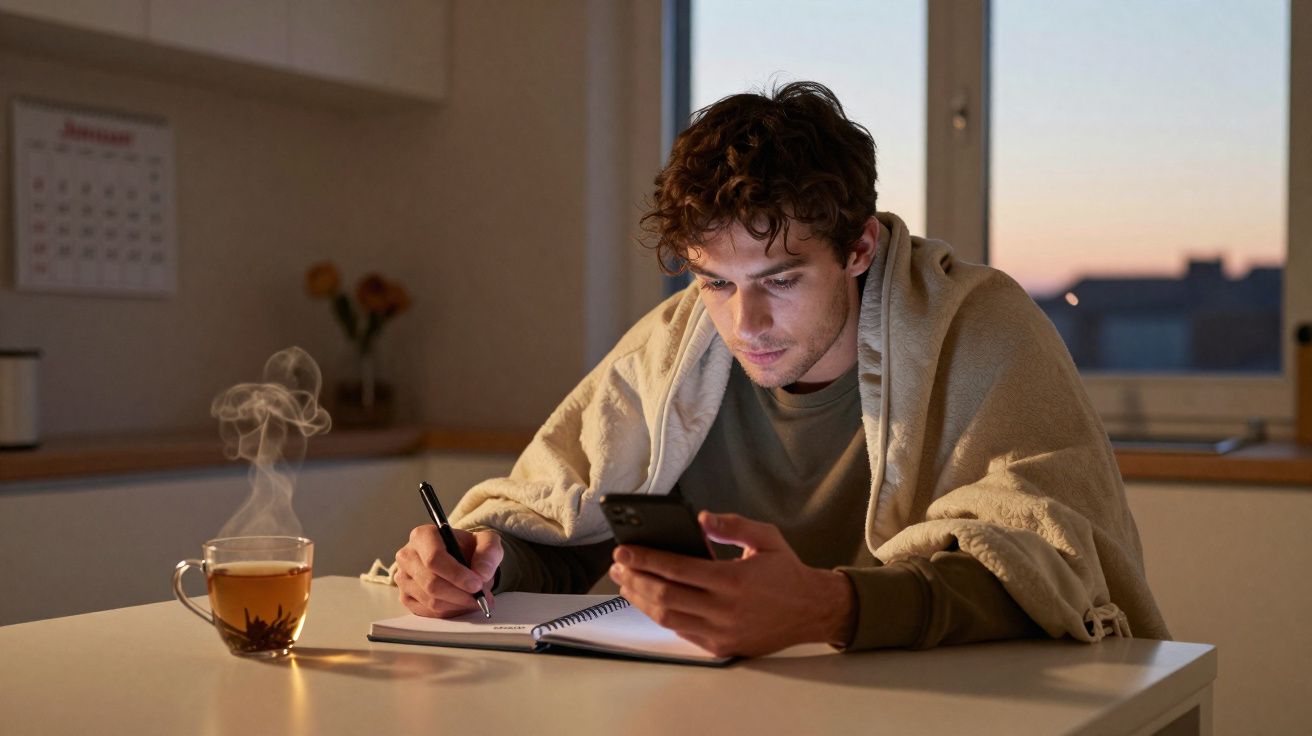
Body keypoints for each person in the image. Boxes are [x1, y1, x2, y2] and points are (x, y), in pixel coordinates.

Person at [394, 81, 1169, 657]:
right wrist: (477, 566)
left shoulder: (981, 328)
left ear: (859, 247)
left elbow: (1047, 571)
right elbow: (567, 527)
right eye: (715, 282)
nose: (744, 323)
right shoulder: (674, 348)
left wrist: (829, 607)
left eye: (781, 280)